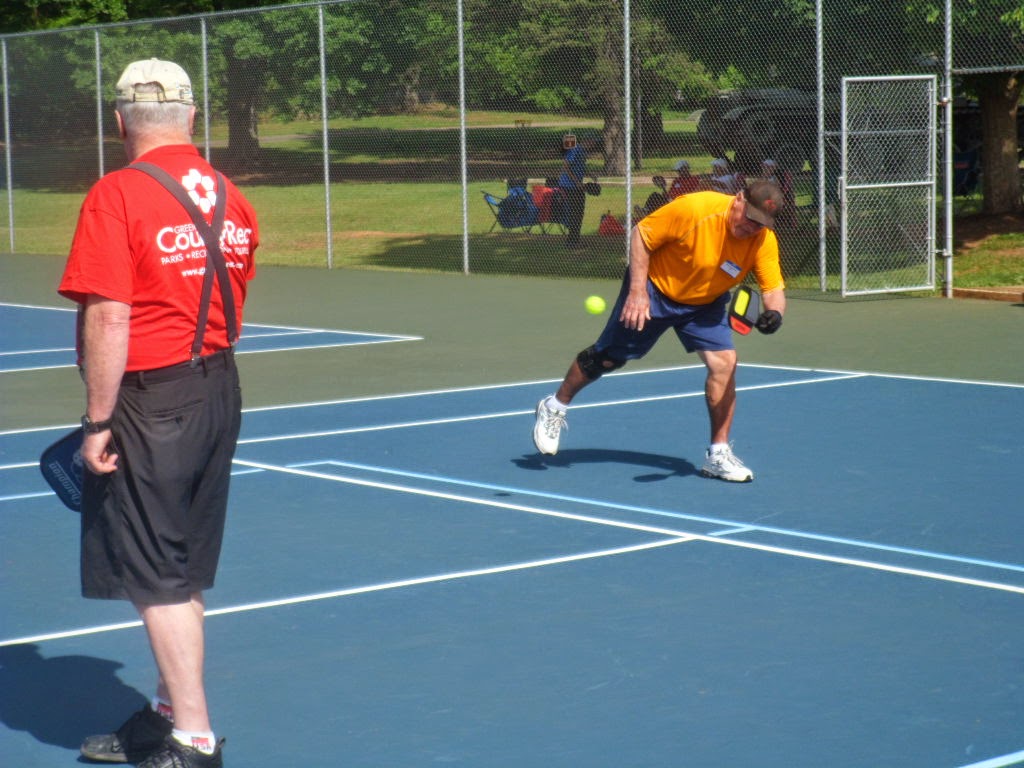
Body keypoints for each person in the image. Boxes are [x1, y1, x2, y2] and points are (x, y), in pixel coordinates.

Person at [58, 58, 258, 768]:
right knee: (182, 566)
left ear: (119, 122)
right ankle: (172, 709)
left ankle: (194, 739)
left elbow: (109, 315)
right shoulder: (230, 195)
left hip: (154, 396)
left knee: (155, 574)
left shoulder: (117, 195)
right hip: (218, 386)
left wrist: (96, 420)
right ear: (192, 117)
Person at [532, 181, 786, 483]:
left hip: (706, 303)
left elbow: (773, 288)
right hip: (656, 290)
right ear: (739, 200)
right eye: (750, 218)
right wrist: (638, 291)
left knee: (725, 363)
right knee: (607, 358)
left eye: (761, 224)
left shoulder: (762, 240)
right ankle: (555, 405)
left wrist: (775, 314)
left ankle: (718, 454)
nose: (752, 227)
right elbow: (641, 234)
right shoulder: (696, 209)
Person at [557, 135, 594, 248]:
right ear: (586, 140)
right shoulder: (575, 149)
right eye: (592, 141)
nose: (593, 144)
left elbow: (579, 167)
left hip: (574, 186)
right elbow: (566, 166)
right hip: (570, 187)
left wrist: (591, 175)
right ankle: (572, 242)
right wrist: (577, 182)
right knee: (576, 213)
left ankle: (574, 241)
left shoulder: (581, 151)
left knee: (578, 213)